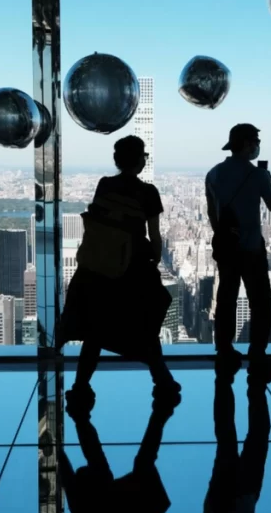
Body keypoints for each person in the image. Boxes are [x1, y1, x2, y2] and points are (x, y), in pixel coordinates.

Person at [60, 135, 181, 410]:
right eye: (144, 156)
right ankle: (162, 381)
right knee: (146, 325)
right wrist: (155, 258)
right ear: (139, 160)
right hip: (133, 269)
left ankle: (80, 387)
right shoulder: (148, 192)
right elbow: (155, 235)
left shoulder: (105, 184)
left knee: (95, 329)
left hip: (97, 267)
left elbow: (101, 224)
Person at [60, 390, 178, 513]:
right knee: (137, 466)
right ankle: (162, 409)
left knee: (141, 465)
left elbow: (70, 478)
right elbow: (68, 478)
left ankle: (162, 409)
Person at [205, 124, 271, 380]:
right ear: (248, 144)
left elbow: (212, 213)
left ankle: (224, 351)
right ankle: (257, 354)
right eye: (256, 141)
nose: (258, 146)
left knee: (226, 301)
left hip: (226, 249)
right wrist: (266, 178)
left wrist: (223, 235)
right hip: (250, 249)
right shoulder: (257, 175)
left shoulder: (213, 174)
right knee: (261, 304)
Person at [201, 360, 271, 513]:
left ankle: (255, 384)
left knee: (258, 433)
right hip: (222, 495)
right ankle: (224, 377)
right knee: (226, 436)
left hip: (246, 493)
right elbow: (208, 508)